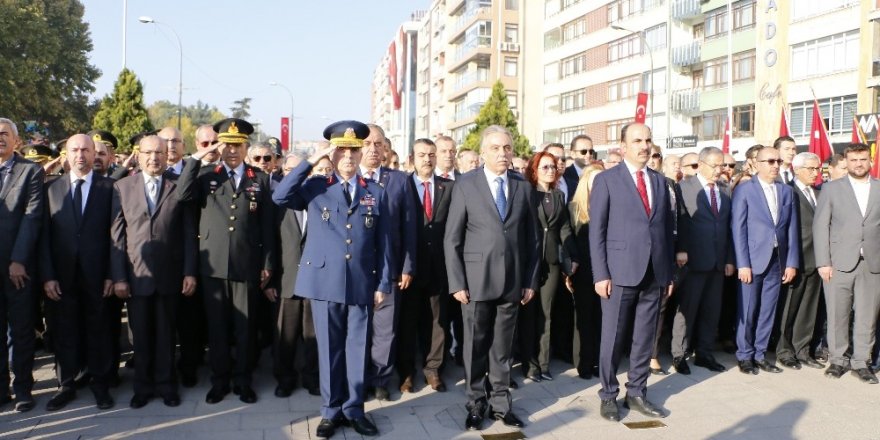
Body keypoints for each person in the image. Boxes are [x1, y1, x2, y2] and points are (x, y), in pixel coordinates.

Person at [272, 120, 392, 438]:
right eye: (342, 150)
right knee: (328, 349)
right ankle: (330, 410)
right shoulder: (317, 187)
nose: (349, 156)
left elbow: (385, 243)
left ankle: (354, 409)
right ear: (333, 154)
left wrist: (383, 284)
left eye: (354, 149)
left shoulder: (375, 192)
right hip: (325, 281)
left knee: (356, 348)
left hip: (360, 282)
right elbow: (280, 196)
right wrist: (312, 160)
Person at [445, 125, 539, 431]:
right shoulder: (466, 184)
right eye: (496, 148)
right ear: (483, 152)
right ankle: (475, 404)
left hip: (512, 281)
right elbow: (452, 238)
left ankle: (501, 404)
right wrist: (457, 282)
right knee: (474, 347)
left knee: (502, 348)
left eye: (507, 148)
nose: (503, 153)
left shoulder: (522, 186)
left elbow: (532, 240)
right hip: (475, 281)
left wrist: (529, 280)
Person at [177, 118, 275, 404]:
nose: (232, 150)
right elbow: (183, 194)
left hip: (247, 265)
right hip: (214, 266)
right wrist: (197, 158)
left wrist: (268, 263)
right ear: (220, 146)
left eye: (238, 145)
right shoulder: (207, 175)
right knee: (217, 329)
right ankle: (219, 381)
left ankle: (243, 380)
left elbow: (267, 226)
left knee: (246, 330)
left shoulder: (260, 179)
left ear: (246, 147)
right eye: (227, 145)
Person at [589, 123, 674, 422]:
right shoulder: (607, 180)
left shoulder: (660, 182)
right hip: (619, 272)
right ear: (623, 146)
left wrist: (668, 274)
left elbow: (664, 230)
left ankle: (637, 392)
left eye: (648, 140)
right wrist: (601, 273)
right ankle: (608, 395)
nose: (644, 145)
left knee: (644, 337)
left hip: (654, 272)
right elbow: (596, 231)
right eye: (637, 140)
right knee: (612, 337)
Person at [109, 135, 197, 408]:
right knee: (141, 338)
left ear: (167, 154)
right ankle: (143, 388)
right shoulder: (122, 187)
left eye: (159, 152)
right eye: (148, 152)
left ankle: (167, 385)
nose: (154, 158)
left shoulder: (177, 186)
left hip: (170, 276)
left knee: (167, 336)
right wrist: (119, 277)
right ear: (139, 154)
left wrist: (189, 272)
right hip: (136, 277)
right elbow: (116, 236)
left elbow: (188, 233)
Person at [40, 134, 116, 411]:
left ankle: (100, 383)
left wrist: (111, 273)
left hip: (97, 274)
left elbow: (115, 237)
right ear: (65, 154)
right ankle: (66, 384)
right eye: (74, 150)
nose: (80, 155)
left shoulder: (110, 188)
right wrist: (47, 275)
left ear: (95, 153)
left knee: (99, 328)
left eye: (86, 149)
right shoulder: (50, 189)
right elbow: (43, 237)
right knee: (63, 329)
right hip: (61, 276)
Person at [813, 143, 880, 384]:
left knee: (867, 316)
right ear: (847, 162)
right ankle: (838, 360)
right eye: (853, 160)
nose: (858, 164)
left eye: (863, 159)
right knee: (837, 314)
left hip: (872, 264)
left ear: (870, 161)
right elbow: (820, 226)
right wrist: (823, 262)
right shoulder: (832, 189)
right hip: (838, 263)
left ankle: (862, 362)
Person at [359, 124, 416, 401]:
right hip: (355, 269)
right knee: (357, 328)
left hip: (389, 269)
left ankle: (380, 378)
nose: (372, 148)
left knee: (386, 329)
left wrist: (407, 266)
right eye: (367, 143)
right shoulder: (347, 179)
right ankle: (357, 377)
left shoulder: (399, 180)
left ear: (385, 149)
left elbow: (409, 228)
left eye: (378, 144)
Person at [731, 146, 799, 375]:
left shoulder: (787, 192)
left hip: (777, 261)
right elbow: (738, 229)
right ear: (757, 164)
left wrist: (791, 262)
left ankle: (760, 354)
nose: (775, 165)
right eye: (770, 161)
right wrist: (743, 263)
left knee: (768, 310)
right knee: (748, 310)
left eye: (778, 161)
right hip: (752, 260)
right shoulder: (745, 190)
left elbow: (792, 229)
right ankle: (744, 355)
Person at [396, 138, 454, 394]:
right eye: (422, 155)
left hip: (439, 267)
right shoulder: (401, 186)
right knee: (407, 322)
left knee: (437, 321)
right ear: (412, 158)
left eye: (432, 154)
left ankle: (433, 369)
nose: (428, 159)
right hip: (409, 267)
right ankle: (406, 372)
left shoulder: (449, 187)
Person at [670, 147, 734, 375]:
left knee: (711, 310)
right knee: (687, 308)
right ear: (702, 164)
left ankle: (705, 353)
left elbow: (728, 227)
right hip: (693, 260)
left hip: (718, 262)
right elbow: (680, 221)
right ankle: (679, 353)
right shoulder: (684, 187)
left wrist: (729, 259)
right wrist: (681, 250)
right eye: (715, 165)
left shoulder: (725, 189)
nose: (720, 170)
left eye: (722, 165)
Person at [519, 151, 578, 382]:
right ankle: (529, 364)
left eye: (553, 167)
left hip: (552, 261)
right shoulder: (526, 194)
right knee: (528, 314)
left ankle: (543, 364)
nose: (550, 171)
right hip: (529, 260)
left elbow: (564, 229)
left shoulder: (559, 196)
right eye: (544, 167)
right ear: (534, 170)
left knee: (546, 313)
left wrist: (573, 255)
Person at [0, 118, 44, 412]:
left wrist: (18, 260)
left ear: (16, 141)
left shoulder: (31, 171)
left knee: (21, 330)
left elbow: (32, 217)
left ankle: (24, 388)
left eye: (5, 134)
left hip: (18, 267)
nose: (0, 138)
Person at [268, 153, 319, 398]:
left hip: (313, 280)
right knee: (284, 336)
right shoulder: (277, 202)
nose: (294, 175)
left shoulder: (316, 197)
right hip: (285, 278)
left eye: (300, 170)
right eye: (289, 170)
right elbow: (269, 242)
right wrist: (269, 279)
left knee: (313, 336)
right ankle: (285, 378)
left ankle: (311, 377)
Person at [776, 152, 825, 370]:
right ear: (797, 169)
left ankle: (802, 350)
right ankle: (784, 351)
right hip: (796, 259)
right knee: (789, 308)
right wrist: (789, 261)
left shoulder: (819, 192)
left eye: (818, 169)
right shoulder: (787, 191)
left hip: (817, 260)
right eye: (811, 169)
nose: (816, 173)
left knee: (809, 308)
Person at [567, 164, 604, 379]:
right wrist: (569, 270)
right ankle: (583, 362)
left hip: (604, 271)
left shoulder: (610, 205)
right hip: (581, 270)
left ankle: (600, 360)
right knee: (583, 317)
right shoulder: (574, 208)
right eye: (595, 180)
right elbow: (569, 239)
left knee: (601, 318)